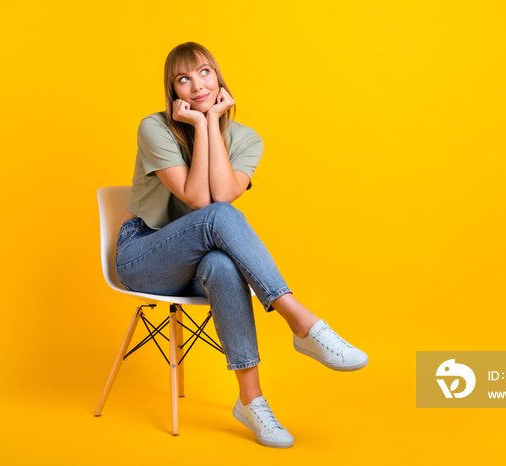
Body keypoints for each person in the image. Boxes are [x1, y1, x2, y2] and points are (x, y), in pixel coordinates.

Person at [116, 41, 368, 448]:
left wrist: (212, 124)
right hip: (144, 254)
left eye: (204, 73)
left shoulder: (248, 139)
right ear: (173, 91)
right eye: (183, 79)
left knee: (223, 264)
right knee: (218, 218)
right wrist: (200, 126)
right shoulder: (155, 127)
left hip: (196, 264)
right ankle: (304, 323)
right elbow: (200, 201)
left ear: (219, 80)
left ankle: (251, 401)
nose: (196, 86)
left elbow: (224, 194)